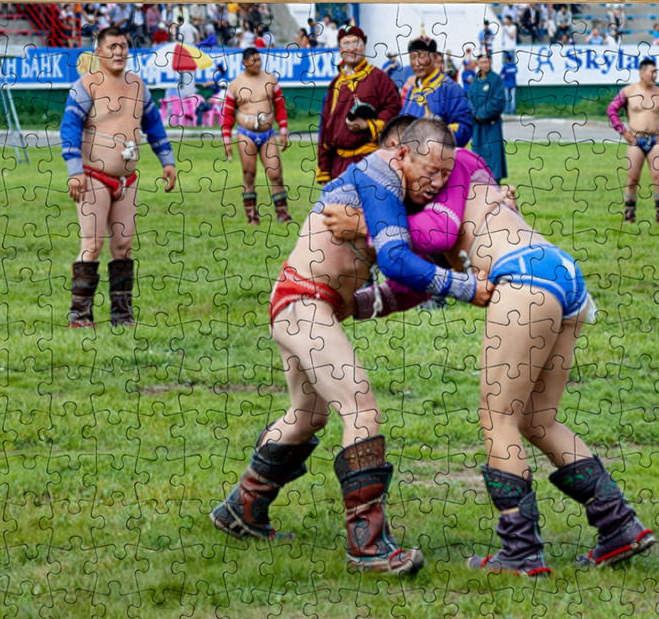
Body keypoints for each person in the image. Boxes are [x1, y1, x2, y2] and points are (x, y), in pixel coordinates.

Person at [325, 143, 655, 576]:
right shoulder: (448, 183)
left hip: (522, 276)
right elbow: (423, 279)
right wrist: (363, 303)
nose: (432, 178)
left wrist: (365, 226)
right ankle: (619, 525)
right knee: (539, 420)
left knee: (498, 418)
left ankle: (520, 552)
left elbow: (433, 239)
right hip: (560, 270)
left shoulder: (448, 171)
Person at [209, 119, 493, 575]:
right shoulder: (379, 173)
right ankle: (368, 547)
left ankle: (241, 510)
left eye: (444, 174)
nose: (436, 182)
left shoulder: (399, 188)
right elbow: (398, 261)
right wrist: (464, 286)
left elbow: (409, 280)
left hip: (305, 303)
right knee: (360, 407)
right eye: (429, 170)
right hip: (304, 301)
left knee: (308, 417)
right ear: (400, 153)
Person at [60, 27, 177, 327]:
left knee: (123, 245)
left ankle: (122, 316)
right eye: (112, 47)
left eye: (123, 46)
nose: (118, 52)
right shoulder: (86, 86)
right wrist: (75, 172)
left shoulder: (139, 86)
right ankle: (80, 314)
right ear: (98, 52)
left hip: (128, 180)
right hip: (93, 177)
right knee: (93, 242)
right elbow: (69, 129)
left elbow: (154, 125)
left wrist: (167, 161)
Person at [315, 25, 402, 184]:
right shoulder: (335, 85)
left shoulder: (379, 77)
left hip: (372, 159)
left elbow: (394, 108)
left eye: (356, 43)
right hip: (340, 165)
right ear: (340, 49)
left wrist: (368, 125)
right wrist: (324, 170)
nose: (351, 48)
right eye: (346, 44)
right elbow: (325, 129)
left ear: (364, 46)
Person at [221, 47, 292, 224]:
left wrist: (283, 129)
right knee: (249, 174)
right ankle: (252, 216)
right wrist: (226, 140)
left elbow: (280, 106)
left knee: (276, 173)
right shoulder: (235, 84)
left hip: (268, 134)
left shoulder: (270, 79)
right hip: (246, 134)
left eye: (259, 60)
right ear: (245, 63)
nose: (258, 63)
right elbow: (228, 114)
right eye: (254, 61)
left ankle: (283, 214)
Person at [606, 57, 659, 225]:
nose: (655, 75)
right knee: (632, 179)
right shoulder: (628, 91)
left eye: (656, 72)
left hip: (655, 139)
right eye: (652, 72)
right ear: (642, 72)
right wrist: (623, 132)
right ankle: (629, 216)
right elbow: (612, 110)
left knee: (658, 178)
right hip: (635, 140)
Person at [401, 37, 473, 147]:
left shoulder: (450, 88)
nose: (417, 63)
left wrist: (435, 136)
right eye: (412, 57)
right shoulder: (412, 90)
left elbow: (464, 128)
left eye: (421, 56)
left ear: (434, 57)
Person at [467, 53, 508, 181]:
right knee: (478, 156)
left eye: (486, 62)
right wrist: (475, 114)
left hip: (492, 126)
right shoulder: (475, 80)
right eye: (481, 63)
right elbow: (469, 99)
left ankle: (495, 182)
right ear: (477, 65)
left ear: (490, 63)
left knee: (493, 155)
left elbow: (499, 101)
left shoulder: (496, 79)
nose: (484, 65)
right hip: (477, 126)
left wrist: (482, 114)